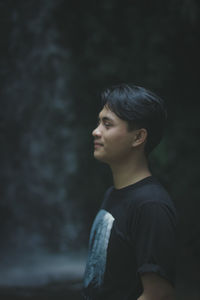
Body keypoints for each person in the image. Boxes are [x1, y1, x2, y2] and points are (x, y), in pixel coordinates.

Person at [82, 84, 177, 300]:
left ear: (138, 137)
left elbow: (159, 295)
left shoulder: (151, 205)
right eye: (99, 122)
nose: (95, 131)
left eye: (107, 124)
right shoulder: (113, 194)